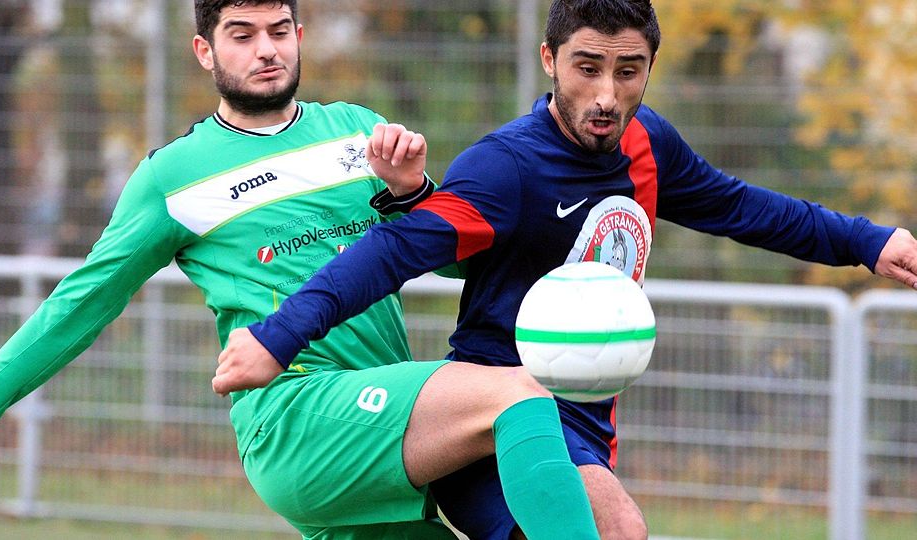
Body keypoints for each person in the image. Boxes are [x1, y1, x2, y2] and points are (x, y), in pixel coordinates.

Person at [212, 0, 917, 538]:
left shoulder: (649, 145)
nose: (607, 95)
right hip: (495, 427)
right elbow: (392, 251)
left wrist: (869, 241)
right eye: (588, 68)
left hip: (583, 424)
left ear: (648, 69)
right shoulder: (506, 168)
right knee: (614, 529)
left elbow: (742, 208)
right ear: (549, 60)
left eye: (628, 71)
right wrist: (279, 336)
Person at [0, 2, 605, 539]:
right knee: (517, 394)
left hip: (383, 429)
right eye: (242, 35)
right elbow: (83, 299)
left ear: (299, 36)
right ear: (205, 51)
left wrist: (412, 192)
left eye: (278, 31)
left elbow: (464, 266)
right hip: (293, 416)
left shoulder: (358, 130)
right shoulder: (172, 177)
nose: (266, 50)